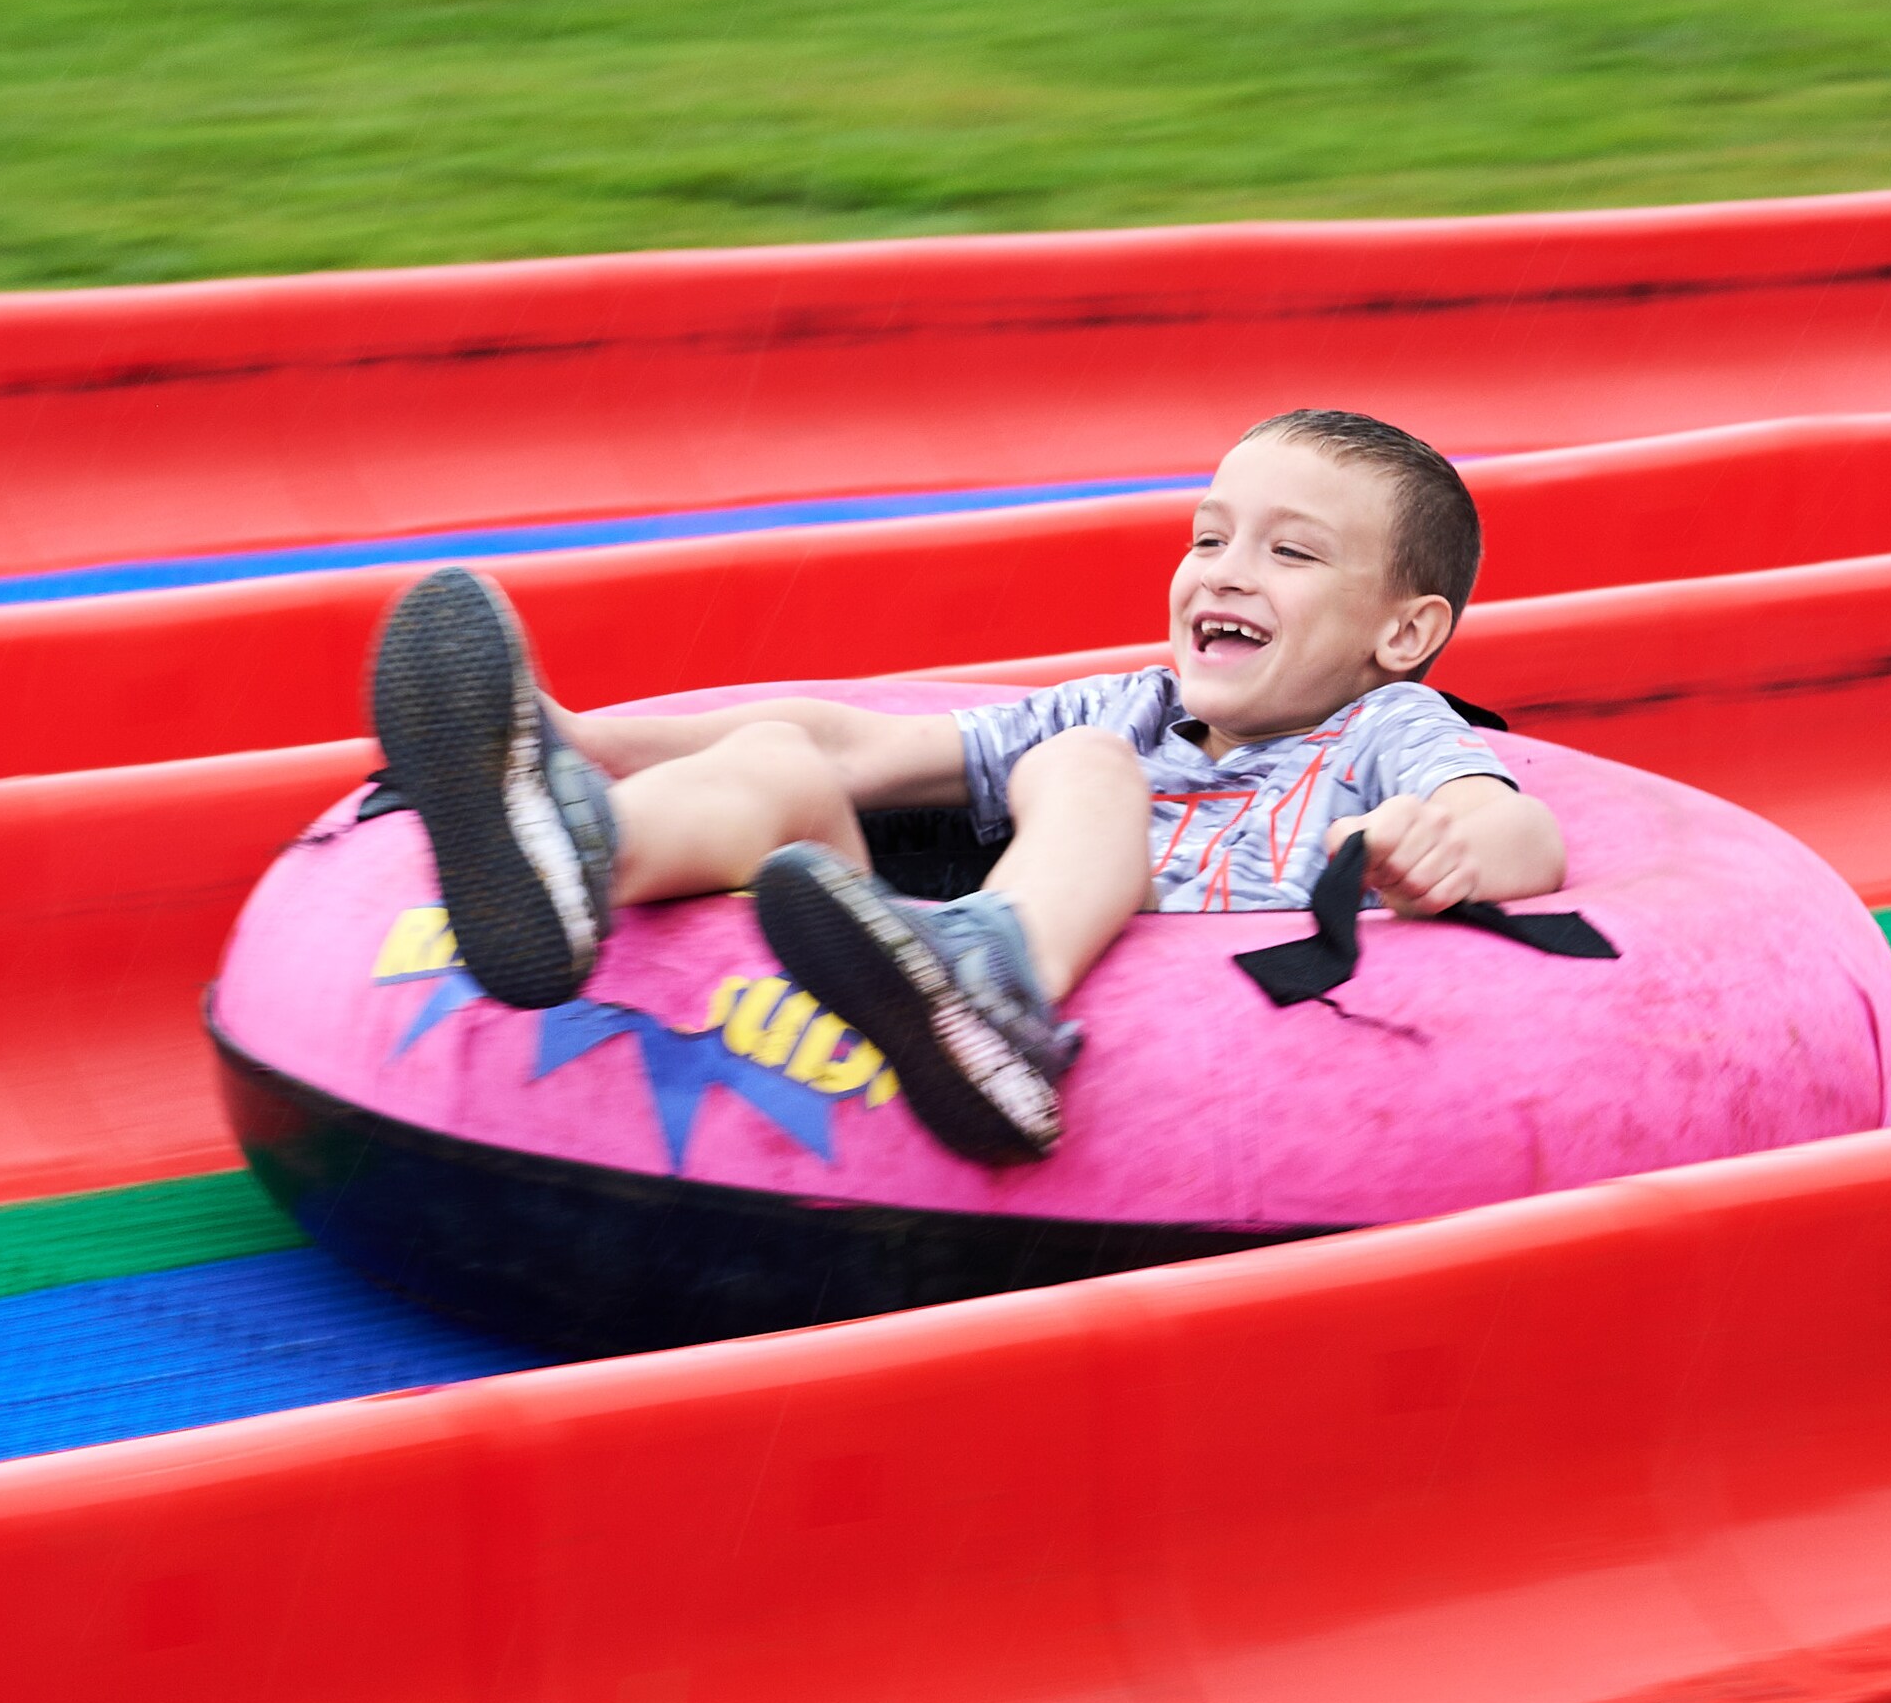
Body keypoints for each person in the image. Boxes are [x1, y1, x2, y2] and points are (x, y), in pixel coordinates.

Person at [366, 408, 1565, 1168]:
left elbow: (1516, 824)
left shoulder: (1386, 729)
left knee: (1081, 768)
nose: (1226, 573)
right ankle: (579, 854)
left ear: (1406, 633)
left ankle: (1004, 997)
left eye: (1289, 552)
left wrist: (1444, 844)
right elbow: (850, 749)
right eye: (1208, 538)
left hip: (1107, 1007)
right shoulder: (1129, 704)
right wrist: (586, 738)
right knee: (785, 765)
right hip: (901, 970)